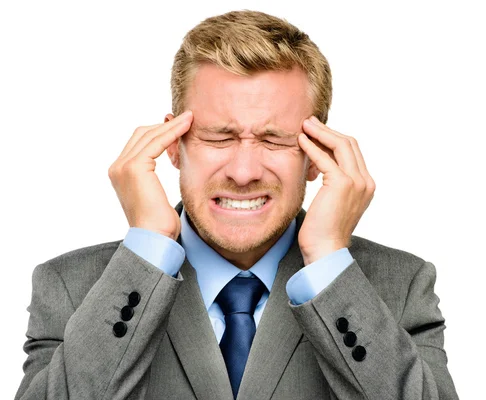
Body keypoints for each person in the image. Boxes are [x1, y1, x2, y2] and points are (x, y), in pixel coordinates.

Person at [15, 10, 458, 400]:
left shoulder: (400, 287)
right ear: (171, 145)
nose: (244, 171)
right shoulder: (69, 288)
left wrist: (327, 262)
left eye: (274, 139)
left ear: (316, 153)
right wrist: (147, 248)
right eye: (218, 137)